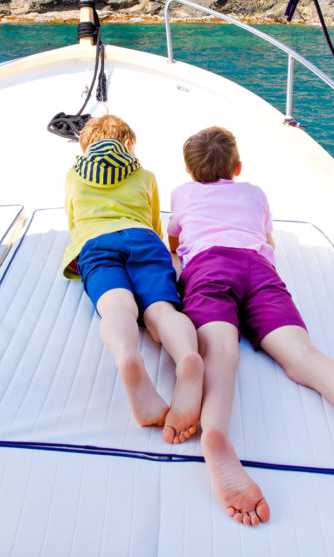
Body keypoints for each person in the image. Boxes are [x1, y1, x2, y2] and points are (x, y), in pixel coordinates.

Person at [168, 126, 334, 526]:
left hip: (209, 267)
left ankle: (215, 435)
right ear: (237, 167)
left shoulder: (182, 195)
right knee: (305, 358)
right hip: (258, 269)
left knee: (220, 353)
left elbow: (175, 243)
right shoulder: (254, 193)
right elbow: (268, 237)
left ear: (190, 171)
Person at [62, 114, 203, 444]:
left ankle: (126, 354)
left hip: (95, 244)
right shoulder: (144, 174)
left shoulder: (73, 174)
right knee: (161, 312)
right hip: (143, 239)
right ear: (127, 145)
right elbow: (154, 222)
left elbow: (72, 220)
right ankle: (186, 357)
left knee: (118, 310)